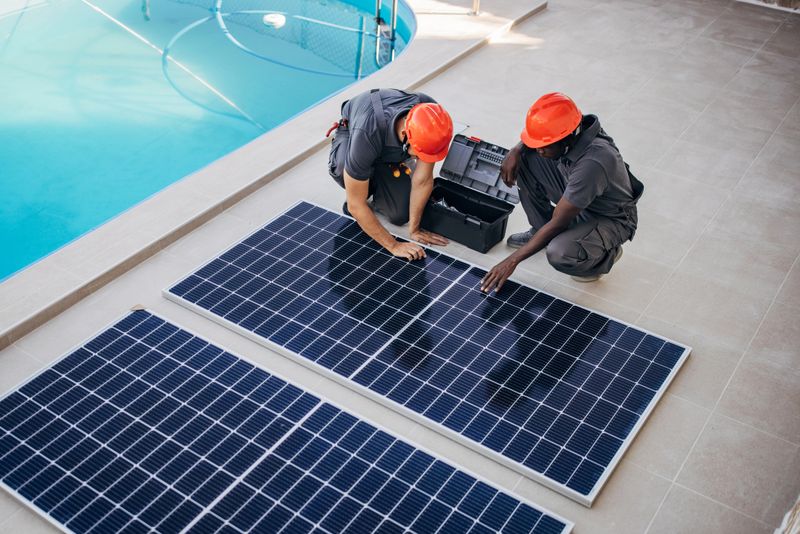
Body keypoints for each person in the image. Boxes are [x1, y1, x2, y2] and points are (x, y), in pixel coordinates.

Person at [481, 92, 644, 293]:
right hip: (579, 193)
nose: (539, 150)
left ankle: (604, 256)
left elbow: (559, 221)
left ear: (567, 138)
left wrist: (511, 261)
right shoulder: (573, 127)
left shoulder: (594, 161)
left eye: (544, 146)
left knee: (559, 252)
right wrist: (516, 150)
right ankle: (539, 230)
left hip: (610, 217)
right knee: (524, 159)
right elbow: (539, 142)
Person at [327, 88, 453, 261]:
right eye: (419, 154)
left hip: (385, 144)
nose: (421, 159)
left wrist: (414, 230)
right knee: (344, 172)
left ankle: (378, 170)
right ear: (405, 135)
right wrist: (393, 245)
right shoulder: (367, 133)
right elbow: (355, 206)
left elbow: (423, 180)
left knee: (399, 215)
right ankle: (363, 180)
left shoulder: (432, 121)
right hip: (355, 133)